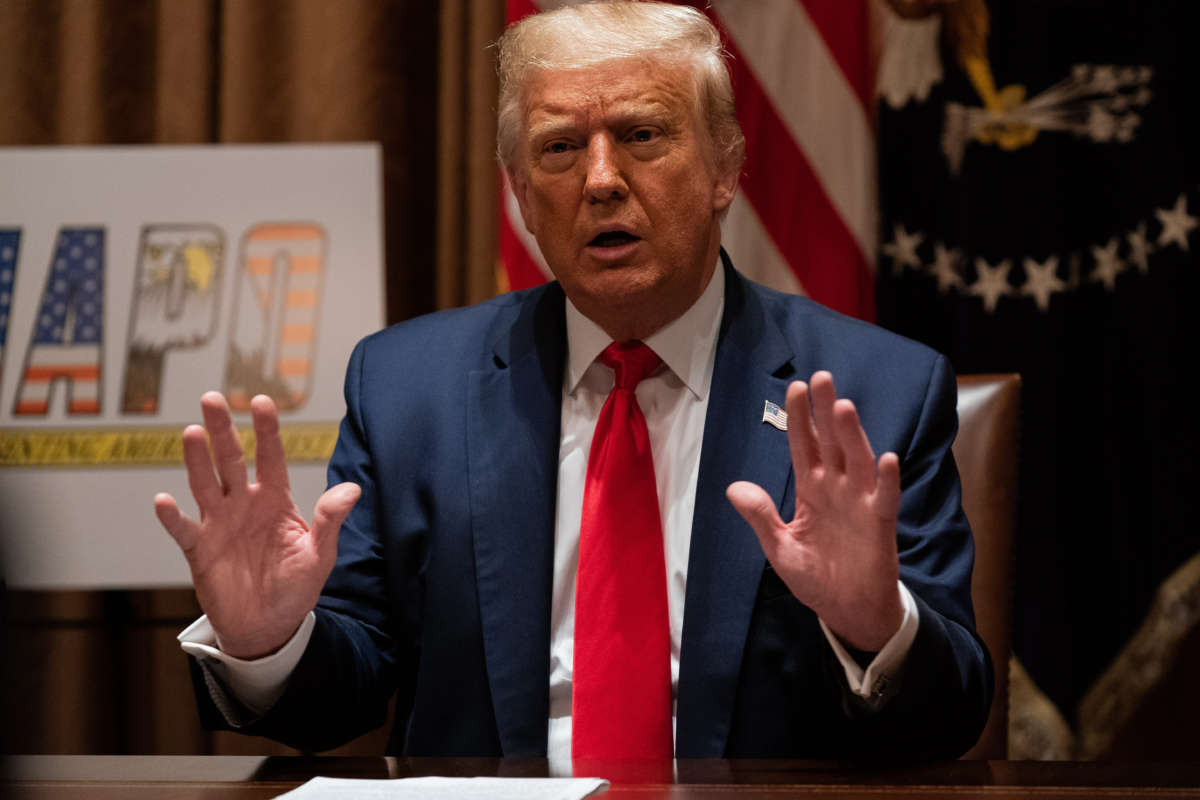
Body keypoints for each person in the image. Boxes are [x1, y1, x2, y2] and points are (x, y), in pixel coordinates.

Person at [159, 1, 991, 761]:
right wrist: (269, 642)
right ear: (522, 194)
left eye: (642, 135)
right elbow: (342, 697)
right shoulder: (408, 388)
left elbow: (951, 722)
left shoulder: (874, 392)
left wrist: (874, 627)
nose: (600, 179)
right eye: (559, 148)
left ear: (724, 170)